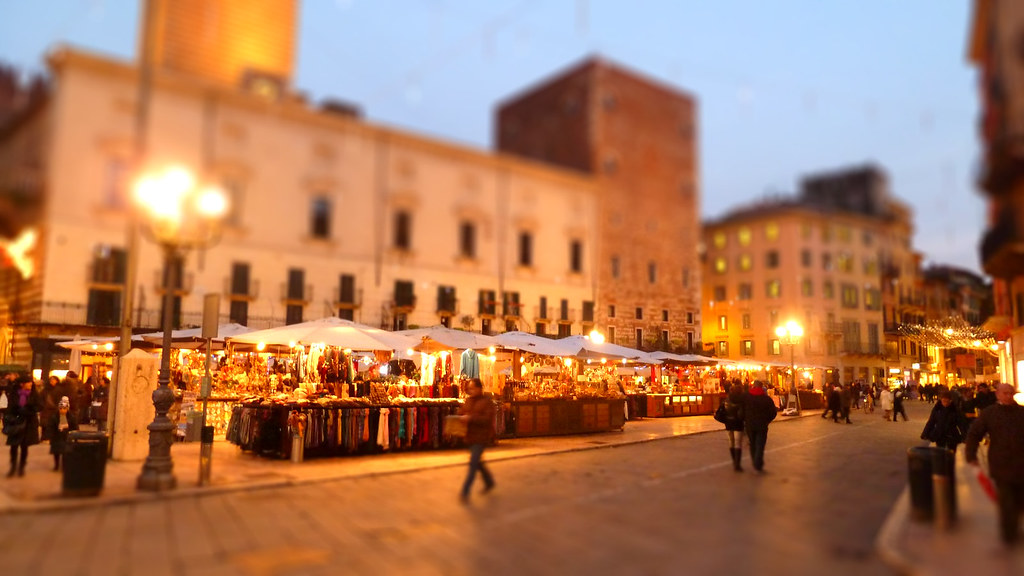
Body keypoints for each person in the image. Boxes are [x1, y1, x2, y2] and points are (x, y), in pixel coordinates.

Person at [965, 383, 1024, 546]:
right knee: (1006, 501)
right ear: (997, 394)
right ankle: (1008, 534)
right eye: (1005, 393)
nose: (1009, 396)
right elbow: (974, 433)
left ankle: (1014, 525)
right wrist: (970, 455)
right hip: (1001, 464)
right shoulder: (990, 413)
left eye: (1011, 393)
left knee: (1019, 500)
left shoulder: (1021, 413)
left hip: (1021, 465)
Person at [457, 377, 495, 502]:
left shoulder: (487, 402)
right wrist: (460, 415)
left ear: (479, 388)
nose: (470, 390)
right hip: (470, 436)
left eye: (473, 388)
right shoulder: (469, 400)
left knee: (473, 463)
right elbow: (463, 412)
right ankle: (489, 482)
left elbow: (487, 419)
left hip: (481, 436)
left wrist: (470, 418)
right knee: (478, 462)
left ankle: (465, 491)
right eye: (469, 388)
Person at [4, 374, 41, 477]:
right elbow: (10, 407)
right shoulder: (14, 393)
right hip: (16, 422)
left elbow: (39, 406)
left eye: (30, 382)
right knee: (14, 446)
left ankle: (21, 467)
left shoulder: (34, 393)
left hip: (28, 423)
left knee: (24, 447)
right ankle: (13, 467)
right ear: (22, 384)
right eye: (28, 382)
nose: (30, 384)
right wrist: (17, 410)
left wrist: (29, 409)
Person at [743, 380, 778, 473]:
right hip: (762, 424)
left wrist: (745, 419)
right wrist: (767, 420)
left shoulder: (747, 397)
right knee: (760, 444)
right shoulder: (766, 399)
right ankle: (758, 462)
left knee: (752, 443)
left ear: (753, 386)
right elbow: (773, 412)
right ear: (762, 387)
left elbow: (742, 409)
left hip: (750, 424)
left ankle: (755, 460)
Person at [715, 384, 745, 472]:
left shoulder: (727, 400)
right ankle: (737, 464)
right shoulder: (741, 401)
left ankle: (734, 461)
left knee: (731, 442)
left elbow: (721, 411)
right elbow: (743, 413)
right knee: (738, 443)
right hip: (738, 424)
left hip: (728, 423)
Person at [45, 396, 78, 471]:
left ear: (67, 409)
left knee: (65, 453)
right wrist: (48, 436)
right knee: (56, 452)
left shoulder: (71, 417)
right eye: (61, 408)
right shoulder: (54, 417)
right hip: (57, 437)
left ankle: (64, 466)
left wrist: (74, 435)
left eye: (64, 409)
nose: (62, 410)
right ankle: (56, 465)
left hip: (66, 437)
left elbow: (75, 427)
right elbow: (50, 426)